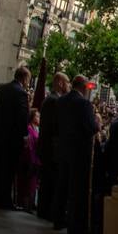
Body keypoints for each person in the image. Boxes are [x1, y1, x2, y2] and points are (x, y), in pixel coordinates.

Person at [53, 75, 100, 234]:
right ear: (84, 87)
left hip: (63, 149)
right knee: (76, 189)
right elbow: (92, 127)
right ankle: (75, 225)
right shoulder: (84, 104)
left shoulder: (61, 101)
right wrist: (97, 123)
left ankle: (58, 220)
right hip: (79, 152)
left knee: (62, 185)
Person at [0, 66, 31, 210]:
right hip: (12, 139)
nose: (28, 83)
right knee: (9, 171)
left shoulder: (3, 89)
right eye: (28, 80)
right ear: (24, 78)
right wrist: (24, 136)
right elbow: (22, 118)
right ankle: (5, 201)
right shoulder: (21, 94)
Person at [36, 72, 69, 222]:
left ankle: (44, 209)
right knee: (49, 182)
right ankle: (46, 211)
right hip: (51, 149)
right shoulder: (55, 101)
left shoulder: (51, 99)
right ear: (61, 83)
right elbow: (56, 127)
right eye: (67, 82)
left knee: (47, 181)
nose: (68, 86)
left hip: (47, 147)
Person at [17, 109, 42, 212]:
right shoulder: (29, 128)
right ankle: (25, 205)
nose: (39, 118)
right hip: (30, 159)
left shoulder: (38, 129)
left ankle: (31, 205)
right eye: (37, 116)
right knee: (28, 183)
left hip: (37, 159)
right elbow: (29, 144)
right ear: (32, 117)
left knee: (34, 184)